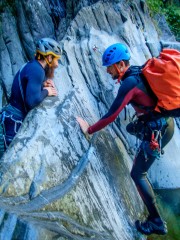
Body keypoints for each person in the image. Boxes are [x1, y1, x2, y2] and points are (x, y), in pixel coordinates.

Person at [77, 43, 174, 236]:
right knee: (132, 128)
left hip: (157, 131)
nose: (107, 70)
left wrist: (89, 129)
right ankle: (151, 150)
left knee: (138, 174)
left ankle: (156, 221)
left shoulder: (129, 83)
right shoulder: (137, 72)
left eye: (110, 66)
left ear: (121, 64)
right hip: (165, 125)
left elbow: (111, 115)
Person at [0, 38, 62, 153]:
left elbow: (27, 83)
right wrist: (47, 91)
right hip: (14, 122)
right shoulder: (37, 71)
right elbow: (32, 101)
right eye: (56, 59)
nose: (57, 64)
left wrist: (43, 84)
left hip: (9, 116)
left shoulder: (33, 65)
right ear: (49, 57)